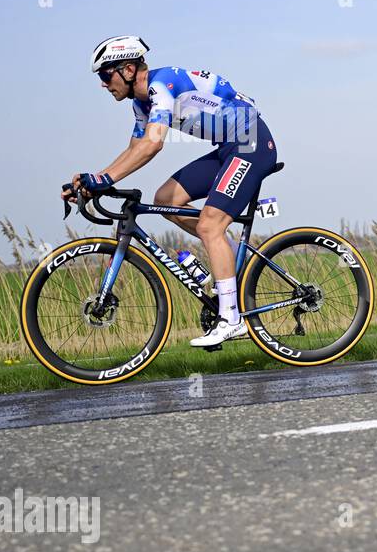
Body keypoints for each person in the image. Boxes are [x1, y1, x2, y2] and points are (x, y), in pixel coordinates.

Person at [72, 35, 280, 346]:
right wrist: (95, 179)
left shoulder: (162, 85)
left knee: (210, 224)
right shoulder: (141, 103)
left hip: (250, 144)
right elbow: (135, 148)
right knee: (166, 199)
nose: (103, 84)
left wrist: (104, 179)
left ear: (128, 69)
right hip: (228, 147)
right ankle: (230, 260)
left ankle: (231, 319)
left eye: (105, 74)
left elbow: (153, 144)